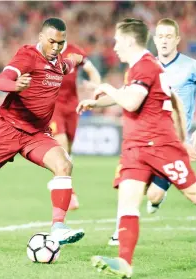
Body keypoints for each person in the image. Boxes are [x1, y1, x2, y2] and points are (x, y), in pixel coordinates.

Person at [77, 18, 196, 278]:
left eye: (117, 41)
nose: (115, 47)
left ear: (130, 41)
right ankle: (124, 262)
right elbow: (172, 98)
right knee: (127, 203)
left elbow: (131, 102)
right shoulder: (142, 67)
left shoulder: (144, 66)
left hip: (159, 145)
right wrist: (96, 103)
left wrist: (106, 87)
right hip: (136, 148)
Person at [0, 18, 85, 246]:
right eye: (52, 42)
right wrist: (15, 86)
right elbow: (1, 80)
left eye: (61, 43)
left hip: (36, 134)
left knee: (64, 164)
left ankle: (58, 227)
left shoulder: (58, 62)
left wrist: (77, 59)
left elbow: (68, 64)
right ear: (40, 38)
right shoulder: (27, 56)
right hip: (8, 130)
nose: (56, 47)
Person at [109, 17, 196, 246]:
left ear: (177, 39)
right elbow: (129, 94)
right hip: (146, 142)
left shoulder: (189, 67)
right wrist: (98, 100)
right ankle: (122, 246)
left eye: (169, 36)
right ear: (155, 39)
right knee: (129, 189)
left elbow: (168, 101)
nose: (165, 40)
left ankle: (151, 204)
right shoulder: (146, 65)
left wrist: (190, 136)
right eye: (161, 36)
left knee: (157, 193)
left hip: (168, 143)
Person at [50, 42, 101, 210]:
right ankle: (69, 193)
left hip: (72, 106)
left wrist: (95, 88)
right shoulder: (45, 51)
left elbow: (92, 71)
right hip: (53, 106)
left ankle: (59, 179)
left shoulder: (75, 52)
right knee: (62, 144)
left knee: (68, 152)